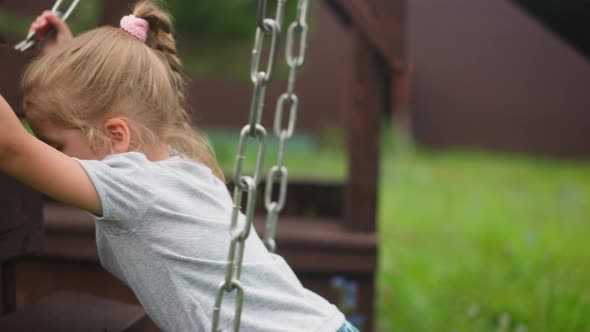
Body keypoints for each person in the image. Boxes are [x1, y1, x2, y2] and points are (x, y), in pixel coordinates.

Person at [0, 1, 360, 331]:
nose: (51, 156)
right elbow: (106, 98)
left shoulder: (133, 186)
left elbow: (12, 149)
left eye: (56, 146)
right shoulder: (176, 162)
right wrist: (67, 58)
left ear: (115, 134)